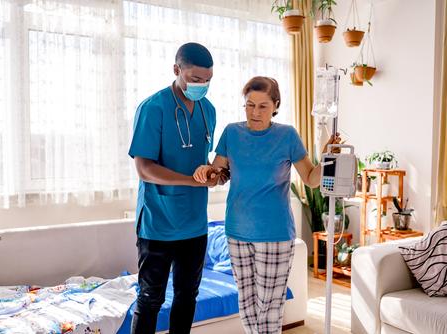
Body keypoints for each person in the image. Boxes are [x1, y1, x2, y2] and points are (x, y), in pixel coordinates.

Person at [193, 76, 340, 334]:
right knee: (247, 304)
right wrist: (208, 172)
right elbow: (217, 174)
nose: (254, 112)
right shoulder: (231, 133)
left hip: (275, 233)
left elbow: (311, 179)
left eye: (262, 106)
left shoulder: (287, 136)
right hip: (237, 231)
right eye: (249, 105)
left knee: (269, 307)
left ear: (275, 105)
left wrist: (328, 156)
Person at [128, 42, 225, 334]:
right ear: (176, 70)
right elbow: (144, 168)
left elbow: (201, 160)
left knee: (187, 297)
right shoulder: (153, 108)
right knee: (150, 298)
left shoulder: (208, 110)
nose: (202, 85)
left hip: (194, 224)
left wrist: (214, 173)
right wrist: (190, 180)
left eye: (207, 80)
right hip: (158, 223)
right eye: (195, 79)